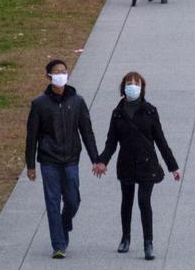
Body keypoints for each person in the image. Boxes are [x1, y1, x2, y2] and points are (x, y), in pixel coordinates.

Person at [95, 72, 180, 261]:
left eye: (136, 83)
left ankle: (148, 243)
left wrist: (172, 167)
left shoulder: (150, 111)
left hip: (147, 163)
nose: (132, 86)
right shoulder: (117, 113)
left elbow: (161, 140)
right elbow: (111, 143)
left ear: (142, 88)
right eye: (129, 83)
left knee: (143, 201)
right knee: (127, 201)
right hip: (126, 162)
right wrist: (102, 161)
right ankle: (125, 238)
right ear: (123, 87)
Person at [26, 59, 99, 259]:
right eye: (57, 72)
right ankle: (58, 244)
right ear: (48, 76)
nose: (61, 75)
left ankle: (64, 223)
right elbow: (31, 136)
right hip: (49, 160)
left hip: (71, 159)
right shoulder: (39, 104)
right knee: (52, 201)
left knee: (73, 200)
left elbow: (87, 132)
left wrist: (96, 158)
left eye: (63, 71)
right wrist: (30, 165)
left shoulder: (77, 102)